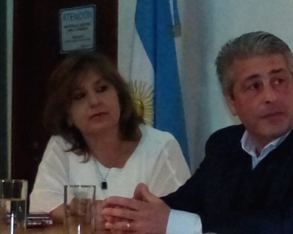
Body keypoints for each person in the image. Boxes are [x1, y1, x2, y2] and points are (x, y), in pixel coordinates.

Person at [101, 32, 293, 234]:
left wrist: (176, 223)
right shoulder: (224, 145)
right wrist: (134, 213)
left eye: (279, 81)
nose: (270, 96)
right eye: (254, 86)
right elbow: (186, 202)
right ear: (231, 102)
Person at [30, 52, 190, 223]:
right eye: (79, 96)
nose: (94, 101)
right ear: (68, 115)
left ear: (119, 97)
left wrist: (105, 216)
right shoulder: (62, 145)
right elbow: (39, 204)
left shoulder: (162, 147)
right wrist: (77, 213)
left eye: (102, 89)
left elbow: (179, 217)